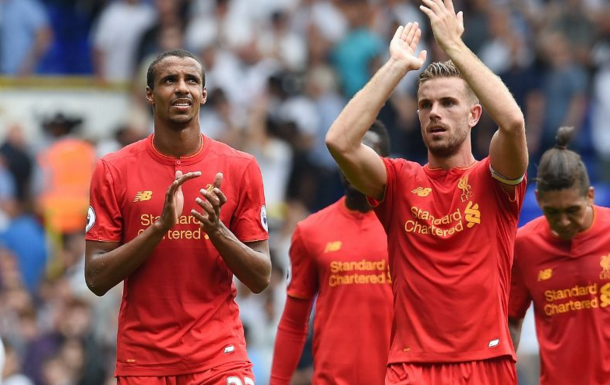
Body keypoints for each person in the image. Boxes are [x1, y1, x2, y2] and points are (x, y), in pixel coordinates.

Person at [324, 0, 528, 383]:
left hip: (487, 362)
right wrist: (397, 65)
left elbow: (514, 122)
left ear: (474, 114)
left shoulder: (494, 179)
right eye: (425, 104)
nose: (435, 112)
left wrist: (454, 47)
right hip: (411, 367)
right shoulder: (399, 181)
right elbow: (340, 141)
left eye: (448, 102)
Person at [85, 49, 271, 385]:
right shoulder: (113, 170)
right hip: (143, 359)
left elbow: (260, 277)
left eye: (191, 80)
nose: (181, 88)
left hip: (220, 356)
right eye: (169, 80)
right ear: (150, 95)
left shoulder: (240, 167)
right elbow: (96, 279)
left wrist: (216, 229)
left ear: (203, 93)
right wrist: (159, 228)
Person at [270, 121, 393, 385]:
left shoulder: (406, 227)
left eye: (366, 152)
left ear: (385, 162)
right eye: (345, 153)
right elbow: (293, 321)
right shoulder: (311, 231)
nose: (353, 162)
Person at [508, 126, 610, 385]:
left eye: (573, 210)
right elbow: (511, 322)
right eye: (553, 212)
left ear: (590, 196)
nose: (563, 222)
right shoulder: (525, 245)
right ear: (539, 200)